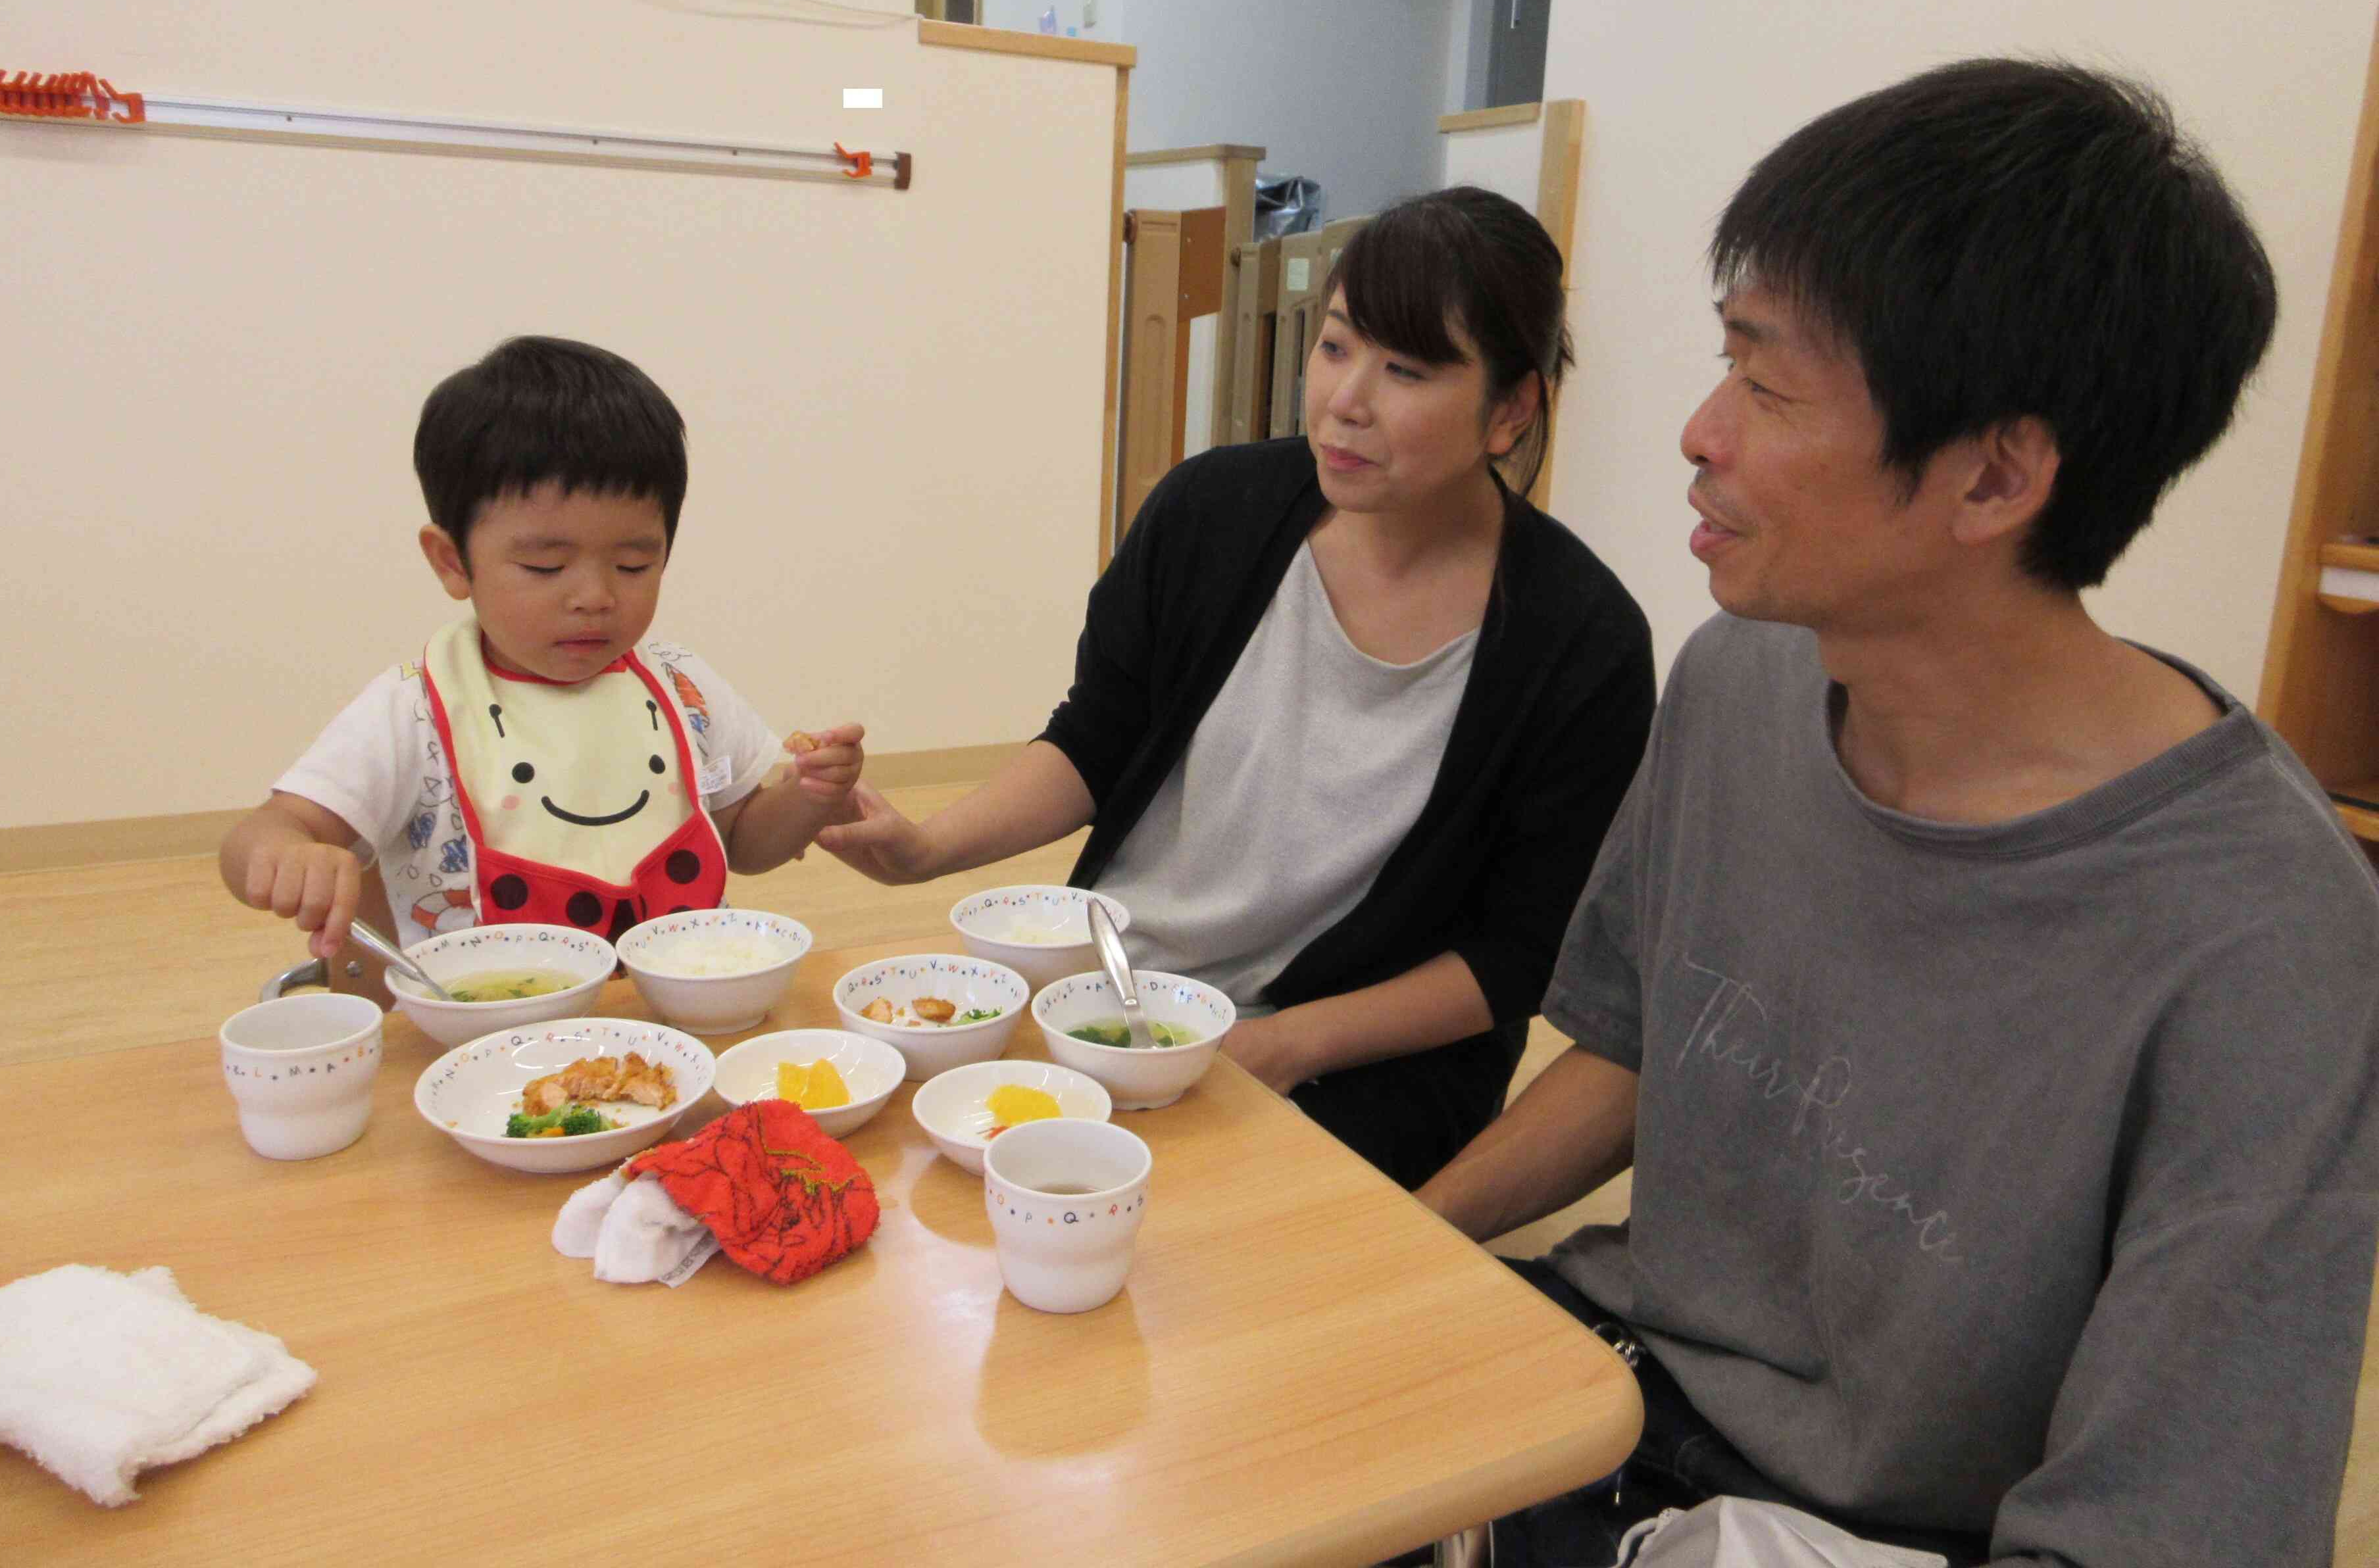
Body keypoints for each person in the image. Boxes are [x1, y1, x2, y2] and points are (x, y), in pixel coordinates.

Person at [1418, 60, 2379, 1566]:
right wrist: (1396, 1246)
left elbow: (2180, 1525)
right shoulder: (1737, 680)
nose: (1696, 428)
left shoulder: (2264, 931)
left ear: (1994, 473)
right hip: (1594, 1392)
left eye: (1764, 379)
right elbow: (1630, 1047)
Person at [821, 187, 1656, 1188]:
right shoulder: (1211, 512)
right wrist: (925, 848)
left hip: (1354, 1057)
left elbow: (1524, 953)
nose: (1346, 399)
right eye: (1338, 346)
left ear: (1511, 410)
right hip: (1116, 989)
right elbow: (1100, 737)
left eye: (1407, 370)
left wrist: (1285, 1046)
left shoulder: (1582, 640)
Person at [219, 336, 864, 965]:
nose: (594, 596)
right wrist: (286, 851)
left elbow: (744, 844)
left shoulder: (680, 686)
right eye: (545, 566)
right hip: (486, 1041)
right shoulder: (413, 711)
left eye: (635, 564)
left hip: (671, 1034)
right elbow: (265, 831)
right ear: (453, 562)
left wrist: (809, 797)